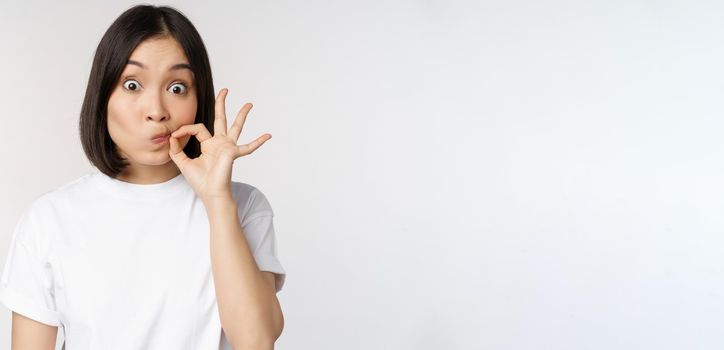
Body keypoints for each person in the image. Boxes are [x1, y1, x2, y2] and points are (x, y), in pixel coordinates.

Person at [0, 4, 286, 350]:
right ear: (102, 94)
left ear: (200, 99)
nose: (157, 111)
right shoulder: (49, 220)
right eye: (133, 84)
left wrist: (217, 201)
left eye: (177, 87)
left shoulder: (242, 206)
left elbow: (255, 342)